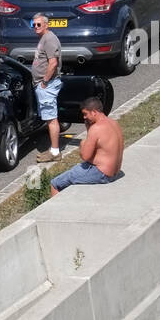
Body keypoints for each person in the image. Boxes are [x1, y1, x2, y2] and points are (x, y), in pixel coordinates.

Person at [51, 98, 125, 194]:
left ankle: (57, 208)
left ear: (94, 112)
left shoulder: (96, 128)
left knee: (55, 183)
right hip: (115, 172)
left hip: (102, 174)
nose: (84, 117)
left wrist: (82, 142)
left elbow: (85, 156)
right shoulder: (114, 123)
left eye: (85, 114)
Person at [31, 13, 63, 163]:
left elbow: (53, 63)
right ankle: (53, 150)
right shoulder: (44, 39)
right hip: (44, 84)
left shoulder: (49, 39)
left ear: (46, 25)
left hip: (47, 85)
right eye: (34, 24)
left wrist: (44, 81)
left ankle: (55, 152)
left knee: (51, 119)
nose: (36, 27)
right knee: (50, 118)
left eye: (39, 24)